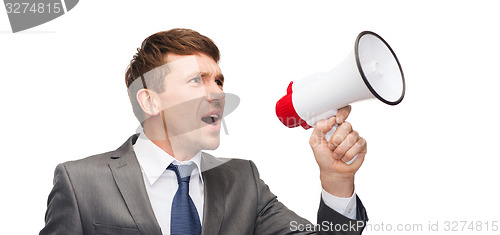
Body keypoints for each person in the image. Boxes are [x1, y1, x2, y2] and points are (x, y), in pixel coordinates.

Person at [40, 28, 368, 235]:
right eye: (197, 80)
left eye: (219, 81)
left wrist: (337, 182)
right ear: (150, 101)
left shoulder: (243, 181)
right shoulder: (80, 182)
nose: (217, 94)